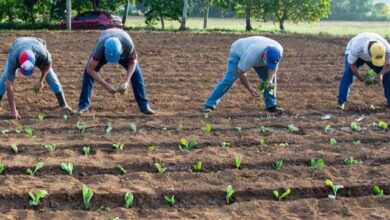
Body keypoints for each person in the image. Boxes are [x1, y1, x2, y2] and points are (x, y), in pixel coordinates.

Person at [72, 28, 154, 115]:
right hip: (104, 46)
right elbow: (90, 69)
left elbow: (132, 63)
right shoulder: (100, 48)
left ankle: (144, 106)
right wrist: (106, 85)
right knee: (87, 74)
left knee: (137, 74)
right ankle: (83, 106)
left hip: (123, 50)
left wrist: (126, 82)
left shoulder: (128, 46)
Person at [202, 36, 283, 114]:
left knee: (270, 80)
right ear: (265, 54)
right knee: (229, 79)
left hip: (256, 52)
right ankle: (209, 104)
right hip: (238, 51)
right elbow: (240, 72)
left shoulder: (278, 51)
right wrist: (250, 88)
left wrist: (268, 81)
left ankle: (271, 105)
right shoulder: (251, 55)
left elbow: (273, 68)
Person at [0, 37, 71, 119]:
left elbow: (48, 63)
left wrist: (41, 80)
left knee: (51, 75)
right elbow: (9, 84)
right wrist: (13, 109)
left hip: (37, 43)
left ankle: (63, 103)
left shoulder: (42, 53)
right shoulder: (14, 59)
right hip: (18, 45)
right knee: (5, 77)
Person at [338, 32, 390, 109]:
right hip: (356, 54)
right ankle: (341, 102)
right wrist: (359, 76)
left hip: (371, 53)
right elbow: (351, 64)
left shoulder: (386, 48)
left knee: (388, 75)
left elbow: (389, 65)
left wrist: (381, 74)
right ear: (369, 51)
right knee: (348, 73)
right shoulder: (357, 47)